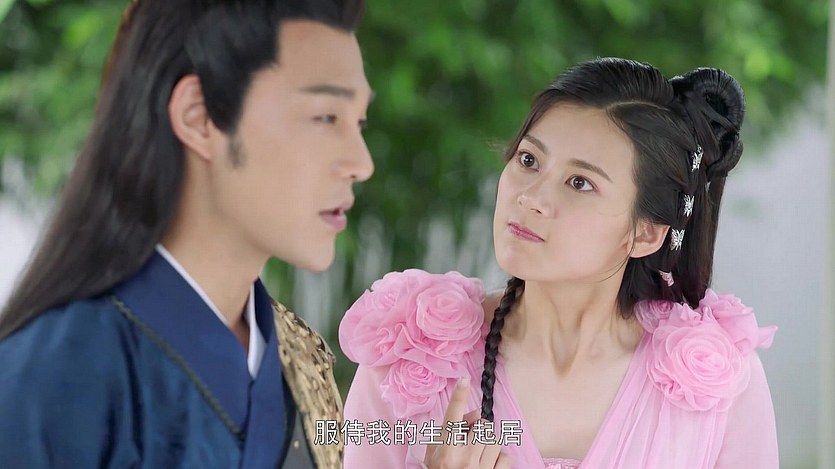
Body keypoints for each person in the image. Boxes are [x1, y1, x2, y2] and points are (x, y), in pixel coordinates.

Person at [339, 57, 779, 468]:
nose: (531, 198)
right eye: (528, 160)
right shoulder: (409, 358)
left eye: (579, 182)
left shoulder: (719, 388)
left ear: (645, 233)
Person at [0, 0, 372, 467]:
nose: (361, 163)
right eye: (326, 117)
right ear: (199, 116)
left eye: (359, 123)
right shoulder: (50, 376)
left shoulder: (299, 358)